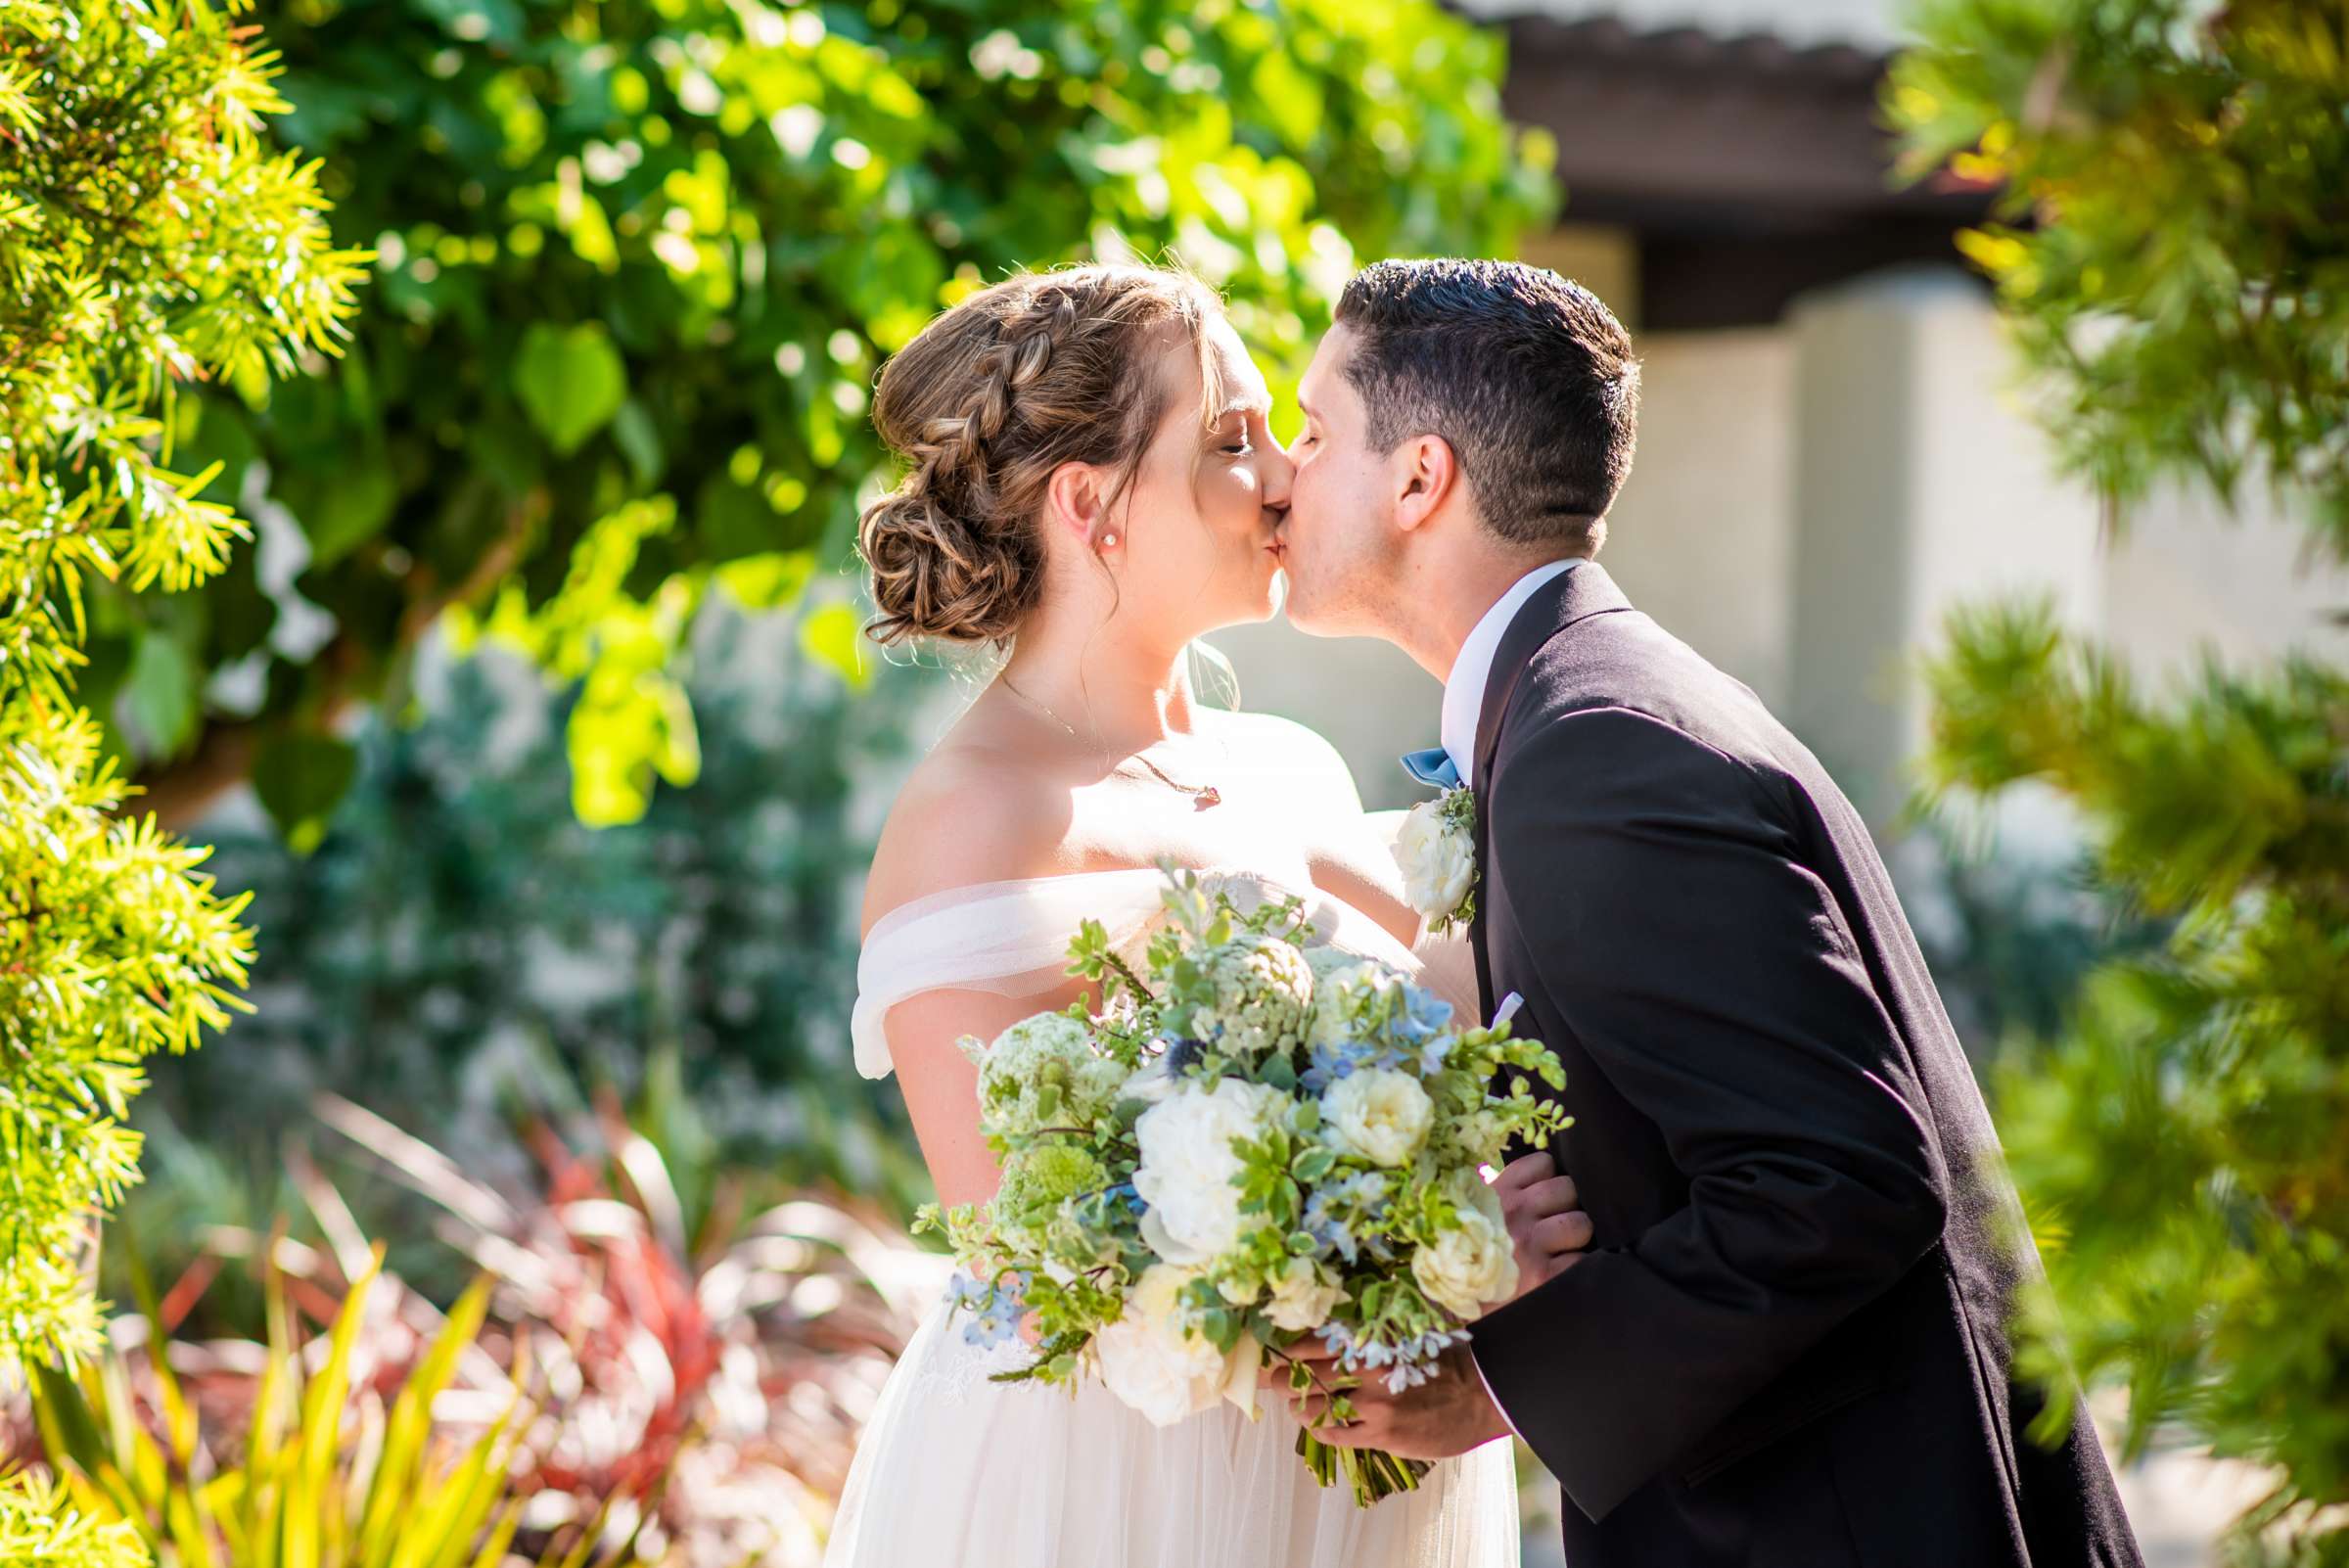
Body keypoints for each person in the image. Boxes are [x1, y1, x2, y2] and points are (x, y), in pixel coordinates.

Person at [1267, 256, 2144, 1568]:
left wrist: (1497, 1386)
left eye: (1314, 430)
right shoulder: (1589, 708)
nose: (1283, 471)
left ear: (1418, 479)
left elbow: (1838, 1178)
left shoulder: (1596, 746)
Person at [823, 262, 1587, 1568]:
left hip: (1353, 1479)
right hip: (1118, 1496)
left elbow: (1506, 1015)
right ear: (1092, 505)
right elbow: (1037, 1271)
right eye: (1230, 442)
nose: (1286, 478)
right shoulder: (972, 822)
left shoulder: (1291, 763)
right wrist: (1457, 1263)